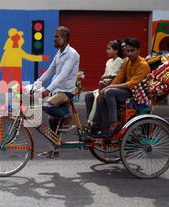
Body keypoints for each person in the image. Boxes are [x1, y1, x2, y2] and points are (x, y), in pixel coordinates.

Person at [35, 26, 80, 158]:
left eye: (57, 36)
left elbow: (63, 75)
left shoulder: (72, 54)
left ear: (64, 38)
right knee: (52, 119)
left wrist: (48, 89)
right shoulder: (59, 53)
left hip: (66, 91)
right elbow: (50, 70)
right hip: (58, 90)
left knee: (46, 105)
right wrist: (37, 83)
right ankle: (54, 149)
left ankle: (67, 115)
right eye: (54, 36)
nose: (54, 39)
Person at [92, 38, 150, 138]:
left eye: (132, 50)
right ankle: (101, 125)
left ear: (138, 50)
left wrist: (109, 88)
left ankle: (114, 123)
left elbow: (131, 84)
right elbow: (119, 78)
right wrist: (105, 88)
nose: (130, 53)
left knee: (109, 92)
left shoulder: (143, 65)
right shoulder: (127, 62)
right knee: (100, 94)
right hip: (126, 90)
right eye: (127, 51)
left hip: (136, 92)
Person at [85, 40, 124, 126]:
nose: (107, 51)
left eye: (109, 49)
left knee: (100, 98)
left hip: (113, 86)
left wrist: (104, 82)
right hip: (104, 85)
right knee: (88, 96)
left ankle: (101, 124)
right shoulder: (108, 61)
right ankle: (90, 121)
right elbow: (104, 75)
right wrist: (102, 82)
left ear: (116, 50)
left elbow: (116, 77)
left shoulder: (120, 61)